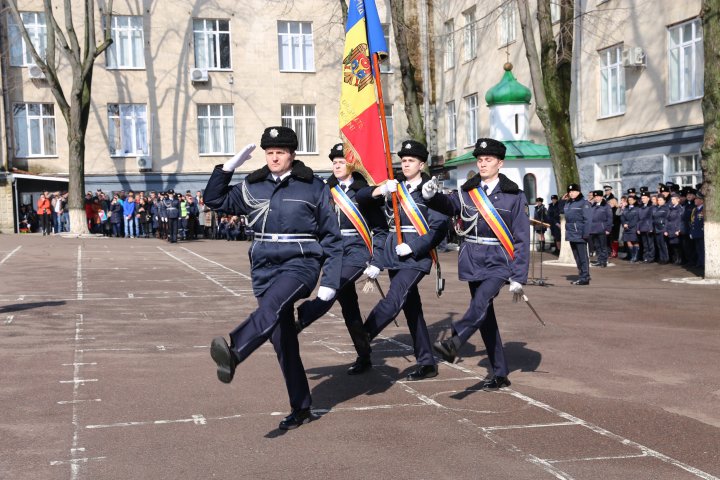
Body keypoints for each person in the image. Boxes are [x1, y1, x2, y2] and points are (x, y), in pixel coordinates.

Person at [204, 126, 342, 430]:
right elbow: (214, 200)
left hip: (301, 261)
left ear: (292, 155)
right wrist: (227, 168)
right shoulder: (253, 185)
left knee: (271, 307)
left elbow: (332, 237)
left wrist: (330, 280)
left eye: (280, 152)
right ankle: (301, 407)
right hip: (264, 264)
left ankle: (236, 351)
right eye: (270, 153)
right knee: (283, 340)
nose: (274, 157)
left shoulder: (313, 187)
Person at [427, 137, 529, 390]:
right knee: (485, 317)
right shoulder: (467, 192)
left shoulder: (513, 196)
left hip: (498, 261)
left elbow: (521, 238)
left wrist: (518, 276)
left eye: (489, 160)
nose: (483, 164)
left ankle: (455, 340)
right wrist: (430, 196)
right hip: (473, 259)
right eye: (480, 160)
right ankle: (500, 372)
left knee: (481, 302)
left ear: (500, 163)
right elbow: (449, 205)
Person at [356, 140, 448, 381]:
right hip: (395, 255)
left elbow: (438, 229)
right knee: (411, 309)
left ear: (421, 164)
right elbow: (361, 197)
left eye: (411, 161)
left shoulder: (431, 191)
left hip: (416, 256)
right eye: (404, 160)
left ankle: (365, 332)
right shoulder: (396, 188)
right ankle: (427, 362)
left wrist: (415, 246)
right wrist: (381, 190)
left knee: (395, 296)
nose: (406, 164)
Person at [296, 143, 387, 375]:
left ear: (351, 165)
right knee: (350, 308)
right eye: (334, 162)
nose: (336, 166)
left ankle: (300, 320)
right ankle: (364, 355)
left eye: (341, 162)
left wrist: (377, 260)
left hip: (357, 252)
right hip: (333, 251)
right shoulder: (327, 190)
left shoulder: (363, 192)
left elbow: (381, 229)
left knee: (332, 287)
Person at [561, 184, 592, 285]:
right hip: (571, 233)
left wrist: (586, 234)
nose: (571, 193)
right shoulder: (568, 203)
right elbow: (560, 211)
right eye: (570, 192)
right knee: (577, 257)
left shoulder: (584, 203)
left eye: (573, 191)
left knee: (583, 257)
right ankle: (581, 275)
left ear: (578, 192)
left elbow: (588, 220)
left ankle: (585, 277)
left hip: (580, 233)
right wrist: (562, 201)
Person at [589, 190, 612, 268]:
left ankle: (604, 261)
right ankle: (599, 260)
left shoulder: (606, 206)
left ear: (602, 197)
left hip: (602, 229)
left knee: (603, 246)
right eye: (595, 197)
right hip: (593, 229)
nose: (596, 198)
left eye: (598, 197)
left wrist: (608, 229)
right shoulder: (593, 206)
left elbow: (609, 218)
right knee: (597, 246)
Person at [666, 193, 685, 265]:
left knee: (677, 245)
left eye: (673, 199)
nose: (672, 201)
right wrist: (666, 230)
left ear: (678, 200)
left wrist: (678, 229)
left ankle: (679, 259)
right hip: (671, 228)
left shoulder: (680, 208)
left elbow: (680, 220)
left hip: (676, 228)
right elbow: (668, 219)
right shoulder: (671, 208)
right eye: (671, 199)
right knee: (673, 245)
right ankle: (676, 259)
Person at [637, 191, 655, 263]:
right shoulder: (640, 207)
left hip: (648, 227)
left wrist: (651, 228)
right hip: (642, 227)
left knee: (650, 244)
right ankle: (645, 257)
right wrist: (638, 228)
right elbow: (638, 218)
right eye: (642, 198)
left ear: (648, 198)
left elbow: (651, 218)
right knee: (645, 244)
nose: (643, 199)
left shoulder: (651, 207)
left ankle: (651, 257)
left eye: (644, 198)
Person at [621, 195, 640, 262]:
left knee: (635, 241)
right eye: (629, 200)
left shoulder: (637, 208)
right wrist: (624, 224)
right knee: (628, 241)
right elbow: (622, 217)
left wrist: (628, 225)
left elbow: (636, 219)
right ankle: (632, 256)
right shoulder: (626, 208)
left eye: (631, 200)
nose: (630, 201)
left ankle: (636, 257)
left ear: (634, 200)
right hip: (626, 227)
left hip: (633, 227)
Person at [652, 194, 670, 264]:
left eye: (660, 200)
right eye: (658, 200)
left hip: (662, 228)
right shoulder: (655, 208)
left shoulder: (666, 208)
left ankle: (666, 258)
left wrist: (665, 229)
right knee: (659, 244)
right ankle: (661, 258)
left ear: (664, 201)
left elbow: (666, 219)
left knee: (663, 244)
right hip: (656, 228)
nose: (659, 201)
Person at [689, 192, 705, 269]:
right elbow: (692, 221)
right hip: (696, 232)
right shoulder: (695, 210)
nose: (695, 200)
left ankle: (703, 263)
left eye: (697, 199)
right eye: (695, 199)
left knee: (702, 249)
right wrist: (691, 232)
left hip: (702, 233)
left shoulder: (704, 209)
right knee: (698, 249)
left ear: (701, 201)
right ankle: (699, 263)